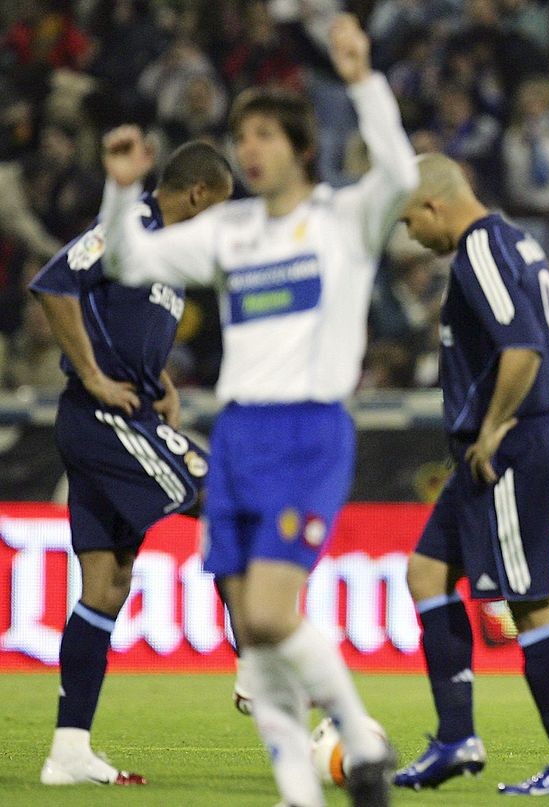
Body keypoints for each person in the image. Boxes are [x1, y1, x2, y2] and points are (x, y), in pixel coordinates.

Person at [95, 14, 417, 807]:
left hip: (306, 429)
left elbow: (404, 178)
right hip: (236, 435)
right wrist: (119, 187)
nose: (252, 148)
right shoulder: (231, 230)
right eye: (244, 135)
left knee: (272, 614)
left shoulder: (344, 221)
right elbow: (128, 259)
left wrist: (362, 78)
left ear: (301, 147)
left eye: (267, 134)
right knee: (255, 635)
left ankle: (358, 735)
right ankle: (298, 792)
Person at [393, 153, 549, 796]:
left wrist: (498, 422)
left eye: (409, 222)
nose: (411, 237)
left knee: (531, 604)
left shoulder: (478, 249)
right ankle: (456, 737)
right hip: (504, 446)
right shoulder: (520, 241)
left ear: (433, 206)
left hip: (506, 449)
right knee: (426, 572)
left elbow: (526, 347)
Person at [32, 139, 233, 786]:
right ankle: (256, 665)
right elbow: (56, 283)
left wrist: (163, 379)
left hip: (126, 411)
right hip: (106, 418)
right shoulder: (131, 226)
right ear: (197, 193)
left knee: (107, 584)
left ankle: (69, 747)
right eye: (218, 209)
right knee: (226, 496)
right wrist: (92, 374)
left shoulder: (163, 255)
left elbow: (124, 320)